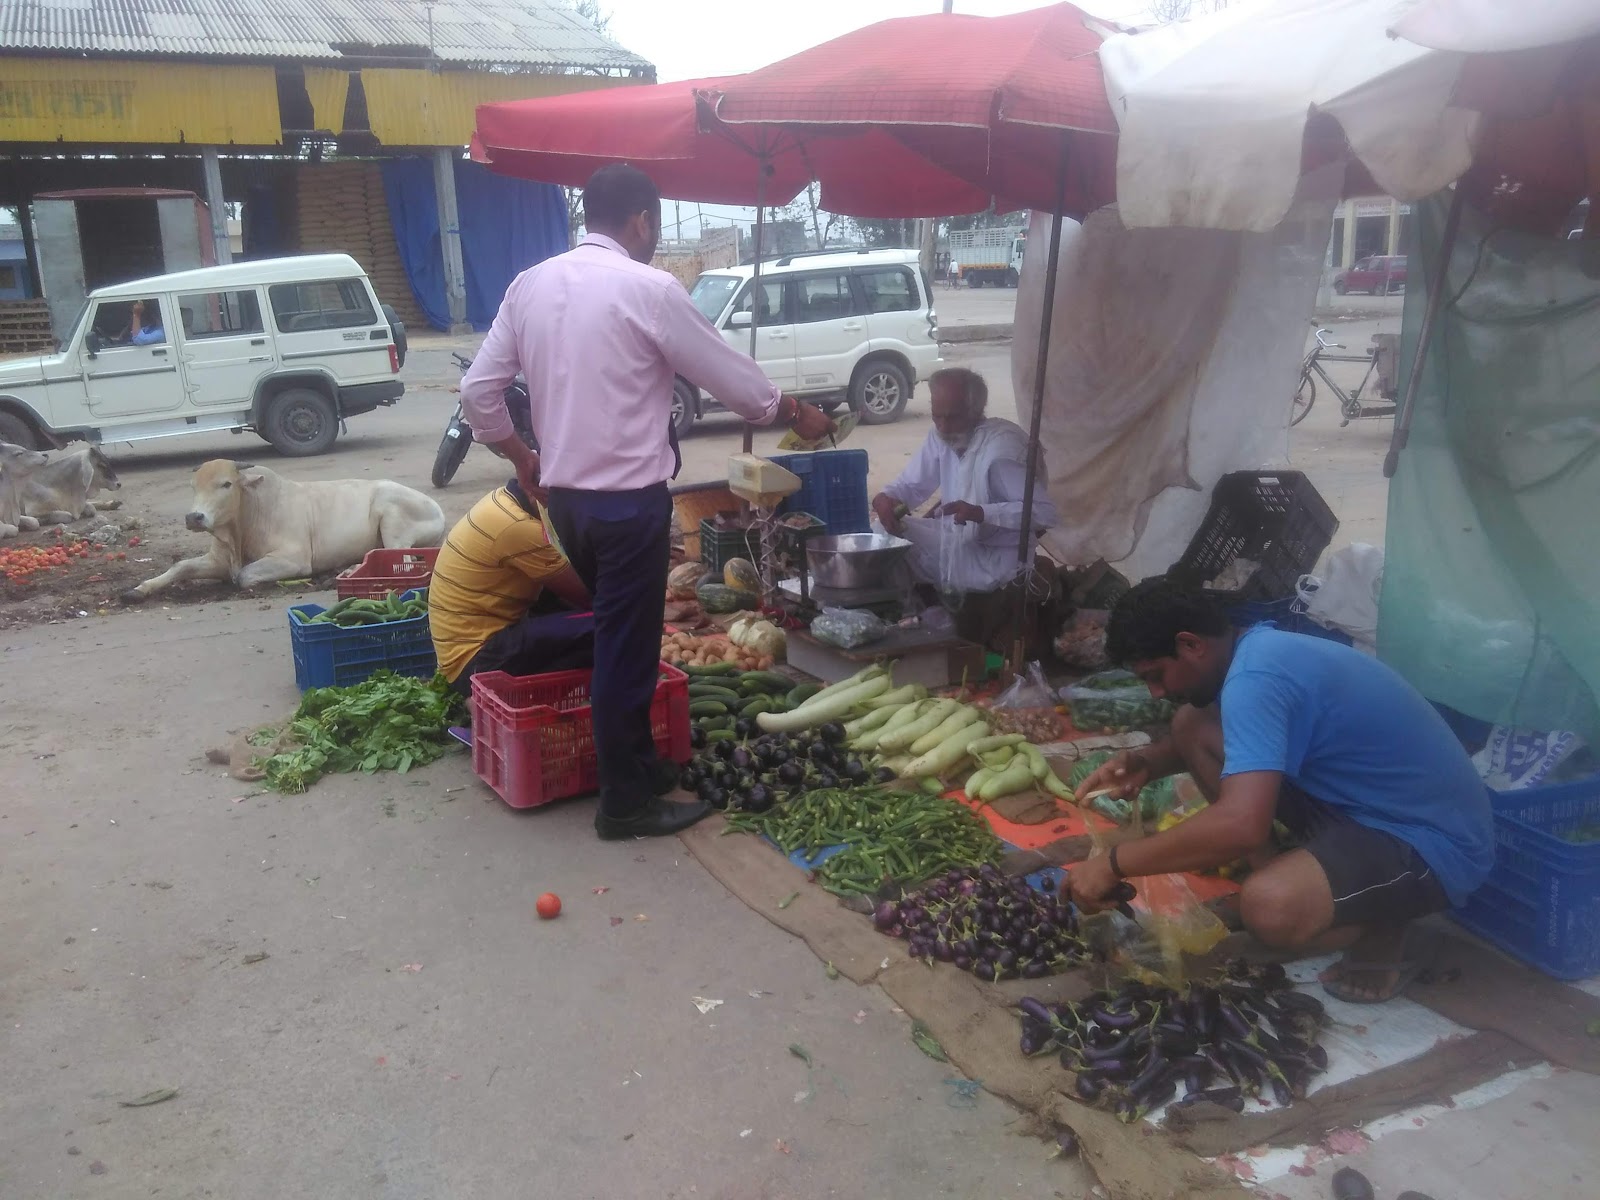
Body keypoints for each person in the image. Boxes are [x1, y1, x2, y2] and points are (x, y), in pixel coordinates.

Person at [460, 163, 834, 841]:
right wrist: (794, 411)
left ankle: (636, 765)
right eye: (653, 225)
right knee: (626, 651)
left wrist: (520, 457)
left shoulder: (529, 285)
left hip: (567, 506)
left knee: (619, 638)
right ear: (641, 220)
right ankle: (625, 804)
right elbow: (736, 383)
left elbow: (478, 393)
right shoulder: (651, 289)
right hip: (627, 506)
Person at [1063, 580, 1495, 1004]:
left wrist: (1115, 864)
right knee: (1192, 725)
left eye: (1156, 676)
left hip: (1431, 842)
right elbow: (1223, 740)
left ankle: (1387, 926)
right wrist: (1149, 762)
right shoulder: (1254, 652)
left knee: (1270, 909)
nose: (1157, 692)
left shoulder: (1256, 678)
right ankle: (1294, 880)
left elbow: (1241, 825)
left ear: (1190, 644)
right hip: (1359, 806)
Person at [870, 366, 1057, 648]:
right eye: (937, 416)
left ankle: (921, 621)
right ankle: (908, 617)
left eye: (953, 417)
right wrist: (885, 498)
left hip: (994, 562)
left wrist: (981, 513)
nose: (943, 427)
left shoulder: (1000, 453)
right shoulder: (940, 436)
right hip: (957, 542)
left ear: (976, 411)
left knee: (893, 546)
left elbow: (1045, 514)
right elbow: (911, 485)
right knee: (882, 533)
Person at [428, 478, 596, 694]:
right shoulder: (519, 527)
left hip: (465, 653)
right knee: (610, 625)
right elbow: (586, 596)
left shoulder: (503, 501)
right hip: (477, 661)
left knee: (578, 622)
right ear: (538, 491)